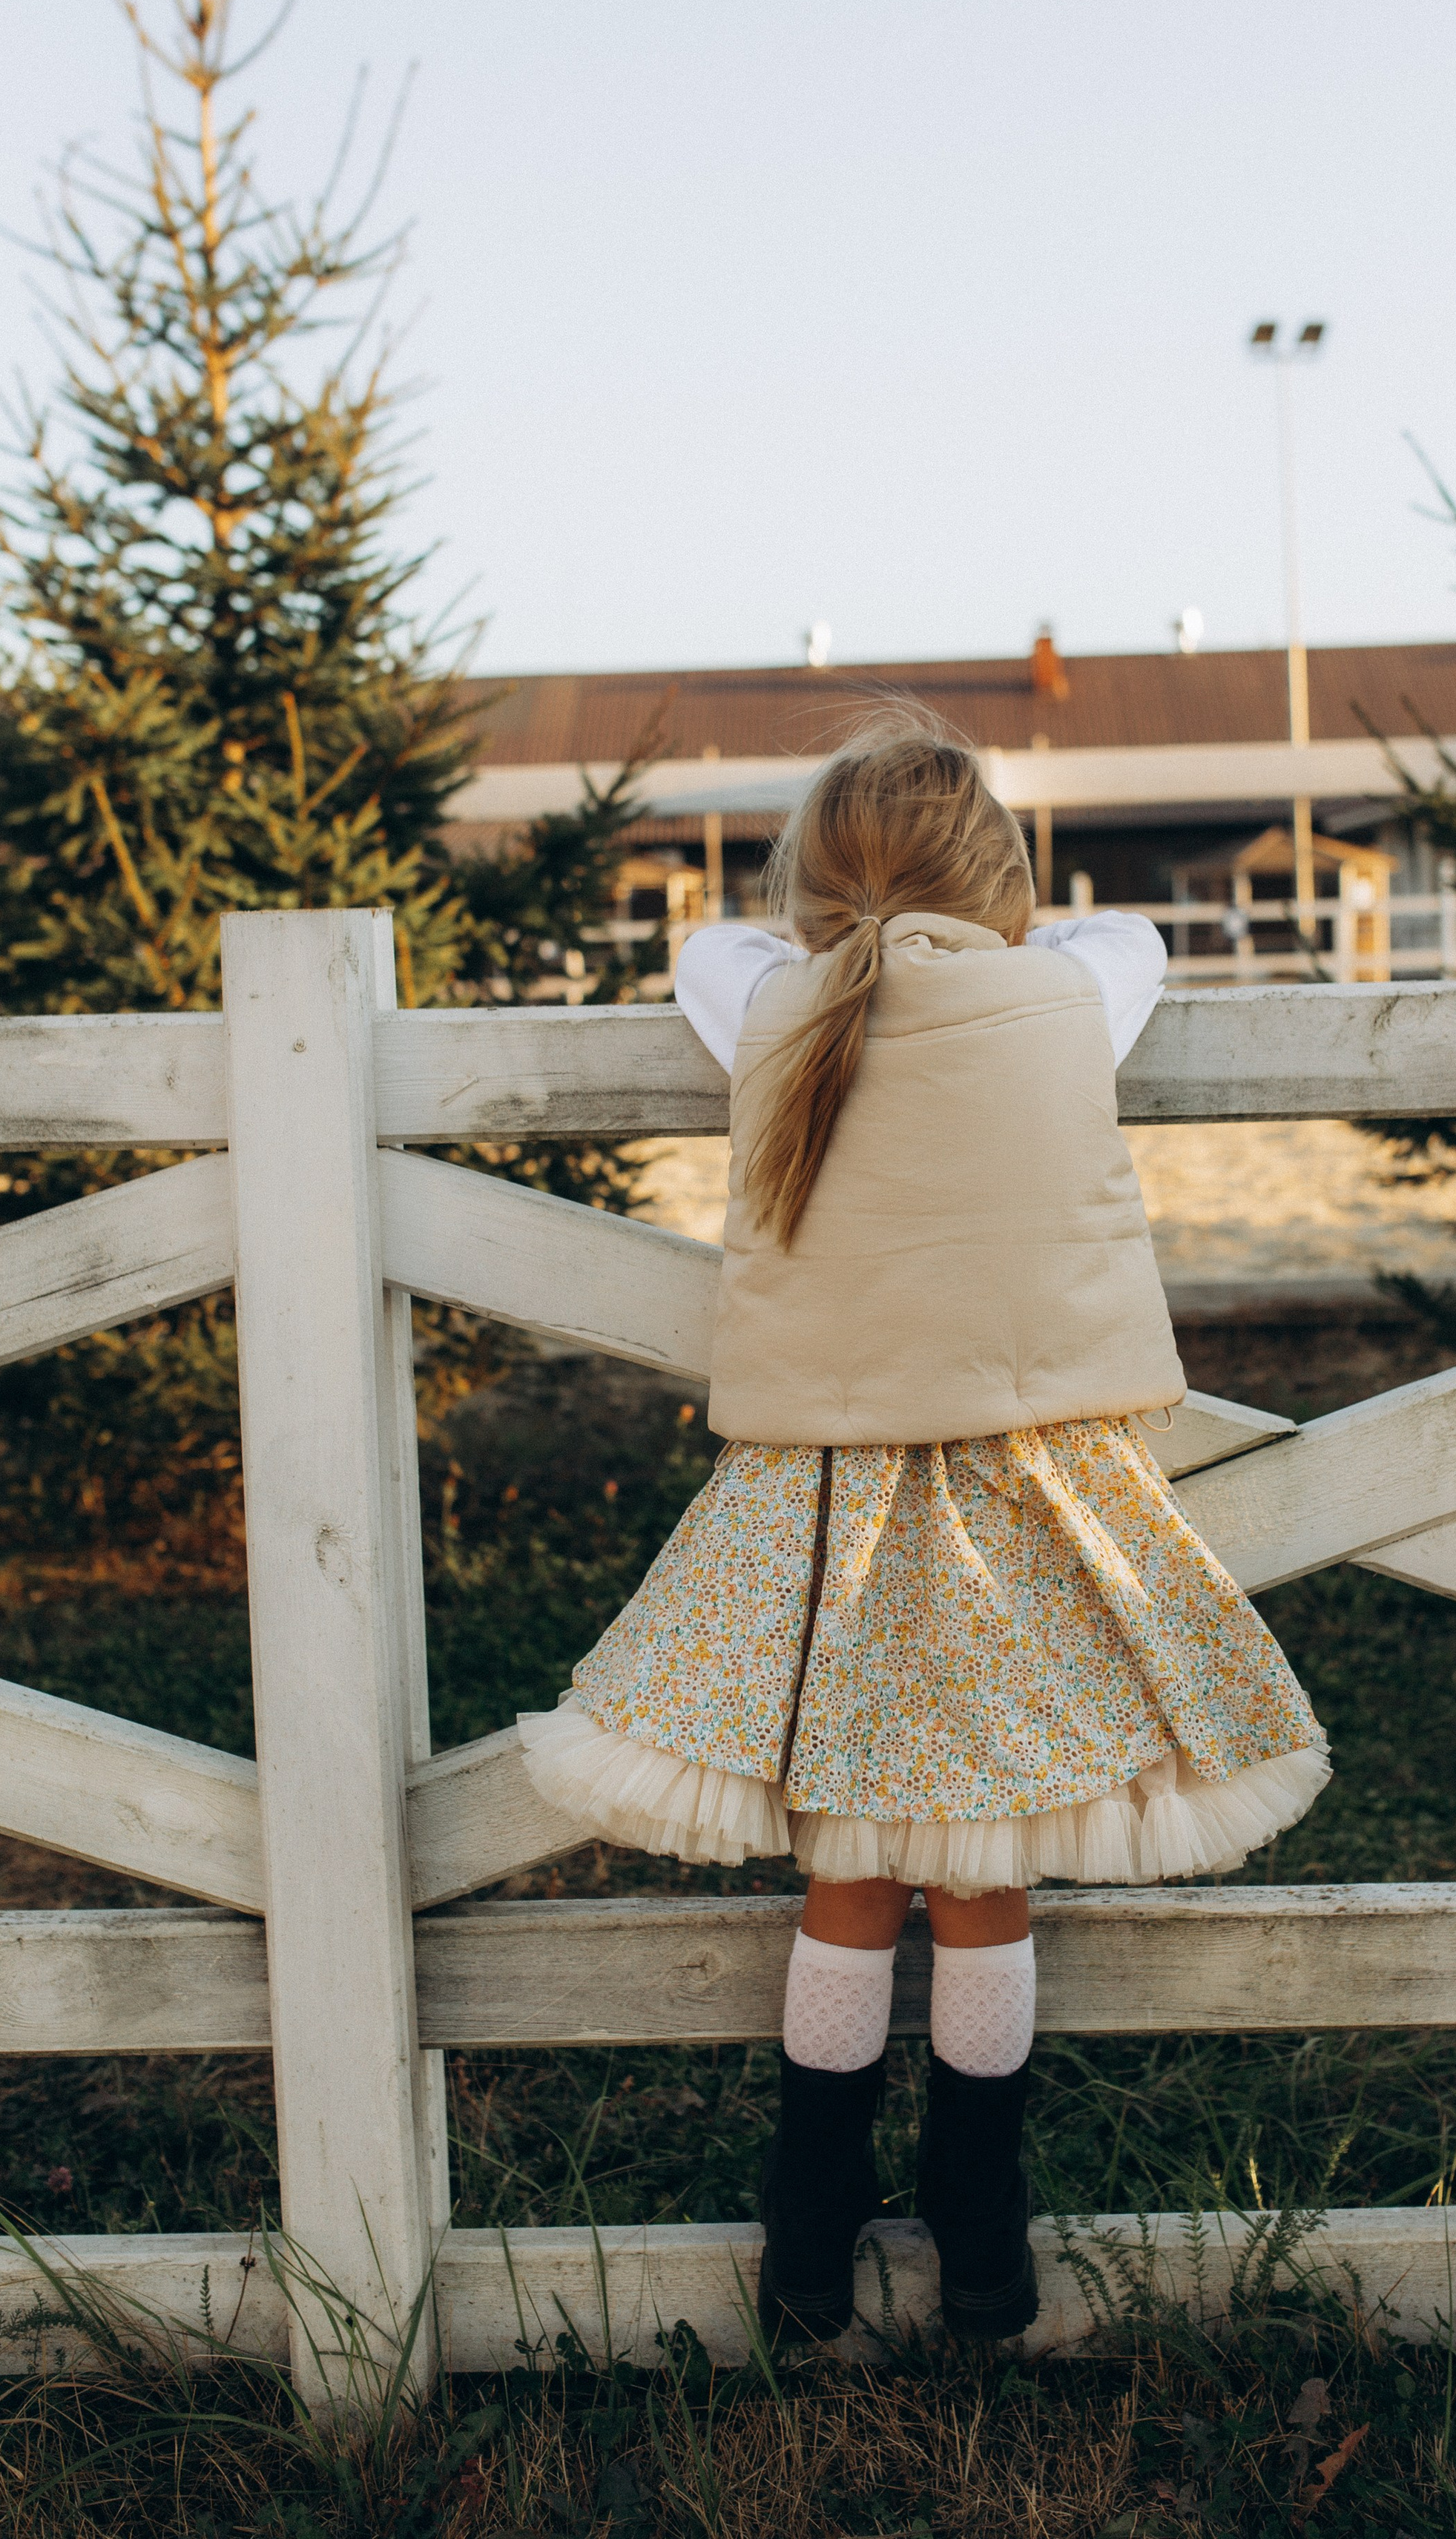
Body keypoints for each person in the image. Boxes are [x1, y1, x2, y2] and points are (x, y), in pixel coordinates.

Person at [519, 717, 1330, 2345]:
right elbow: (1133, 935)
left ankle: (806, 2222)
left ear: (808, 895)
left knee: (849, 1871)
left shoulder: (764, 1002)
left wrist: (847, 930)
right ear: (1003, 889)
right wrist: (986, 930)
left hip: (826, 1501)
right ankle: (980, 2219)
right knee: (985, 1880)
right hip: (1023, 1498)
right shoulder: (1066, 994)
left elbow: (716, 943)